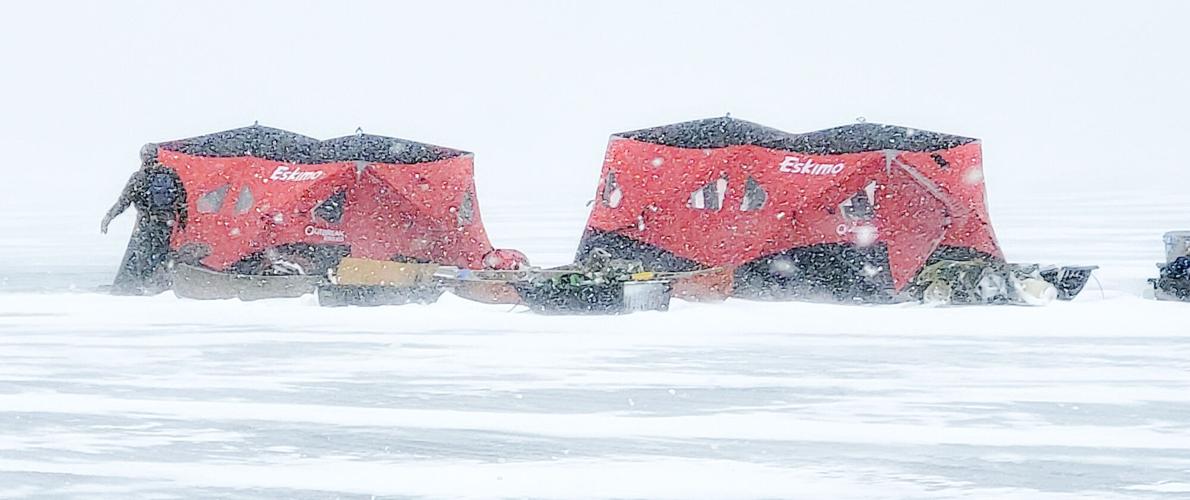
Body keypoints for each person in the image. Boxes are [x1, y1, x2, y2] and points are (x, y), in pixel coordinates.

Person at [101, 144, 188, 295]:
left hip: (147, 223)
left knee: (143, 255)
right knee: (161, 253)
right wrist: (182, 223)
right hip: (166, 223)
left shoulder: (138, 177)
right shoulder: (170, 173)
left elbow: (123, 202)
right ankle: (160, 286)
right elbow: (182, 200)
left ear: (142, 157)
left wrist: (109, 217)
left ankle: (143, 286)